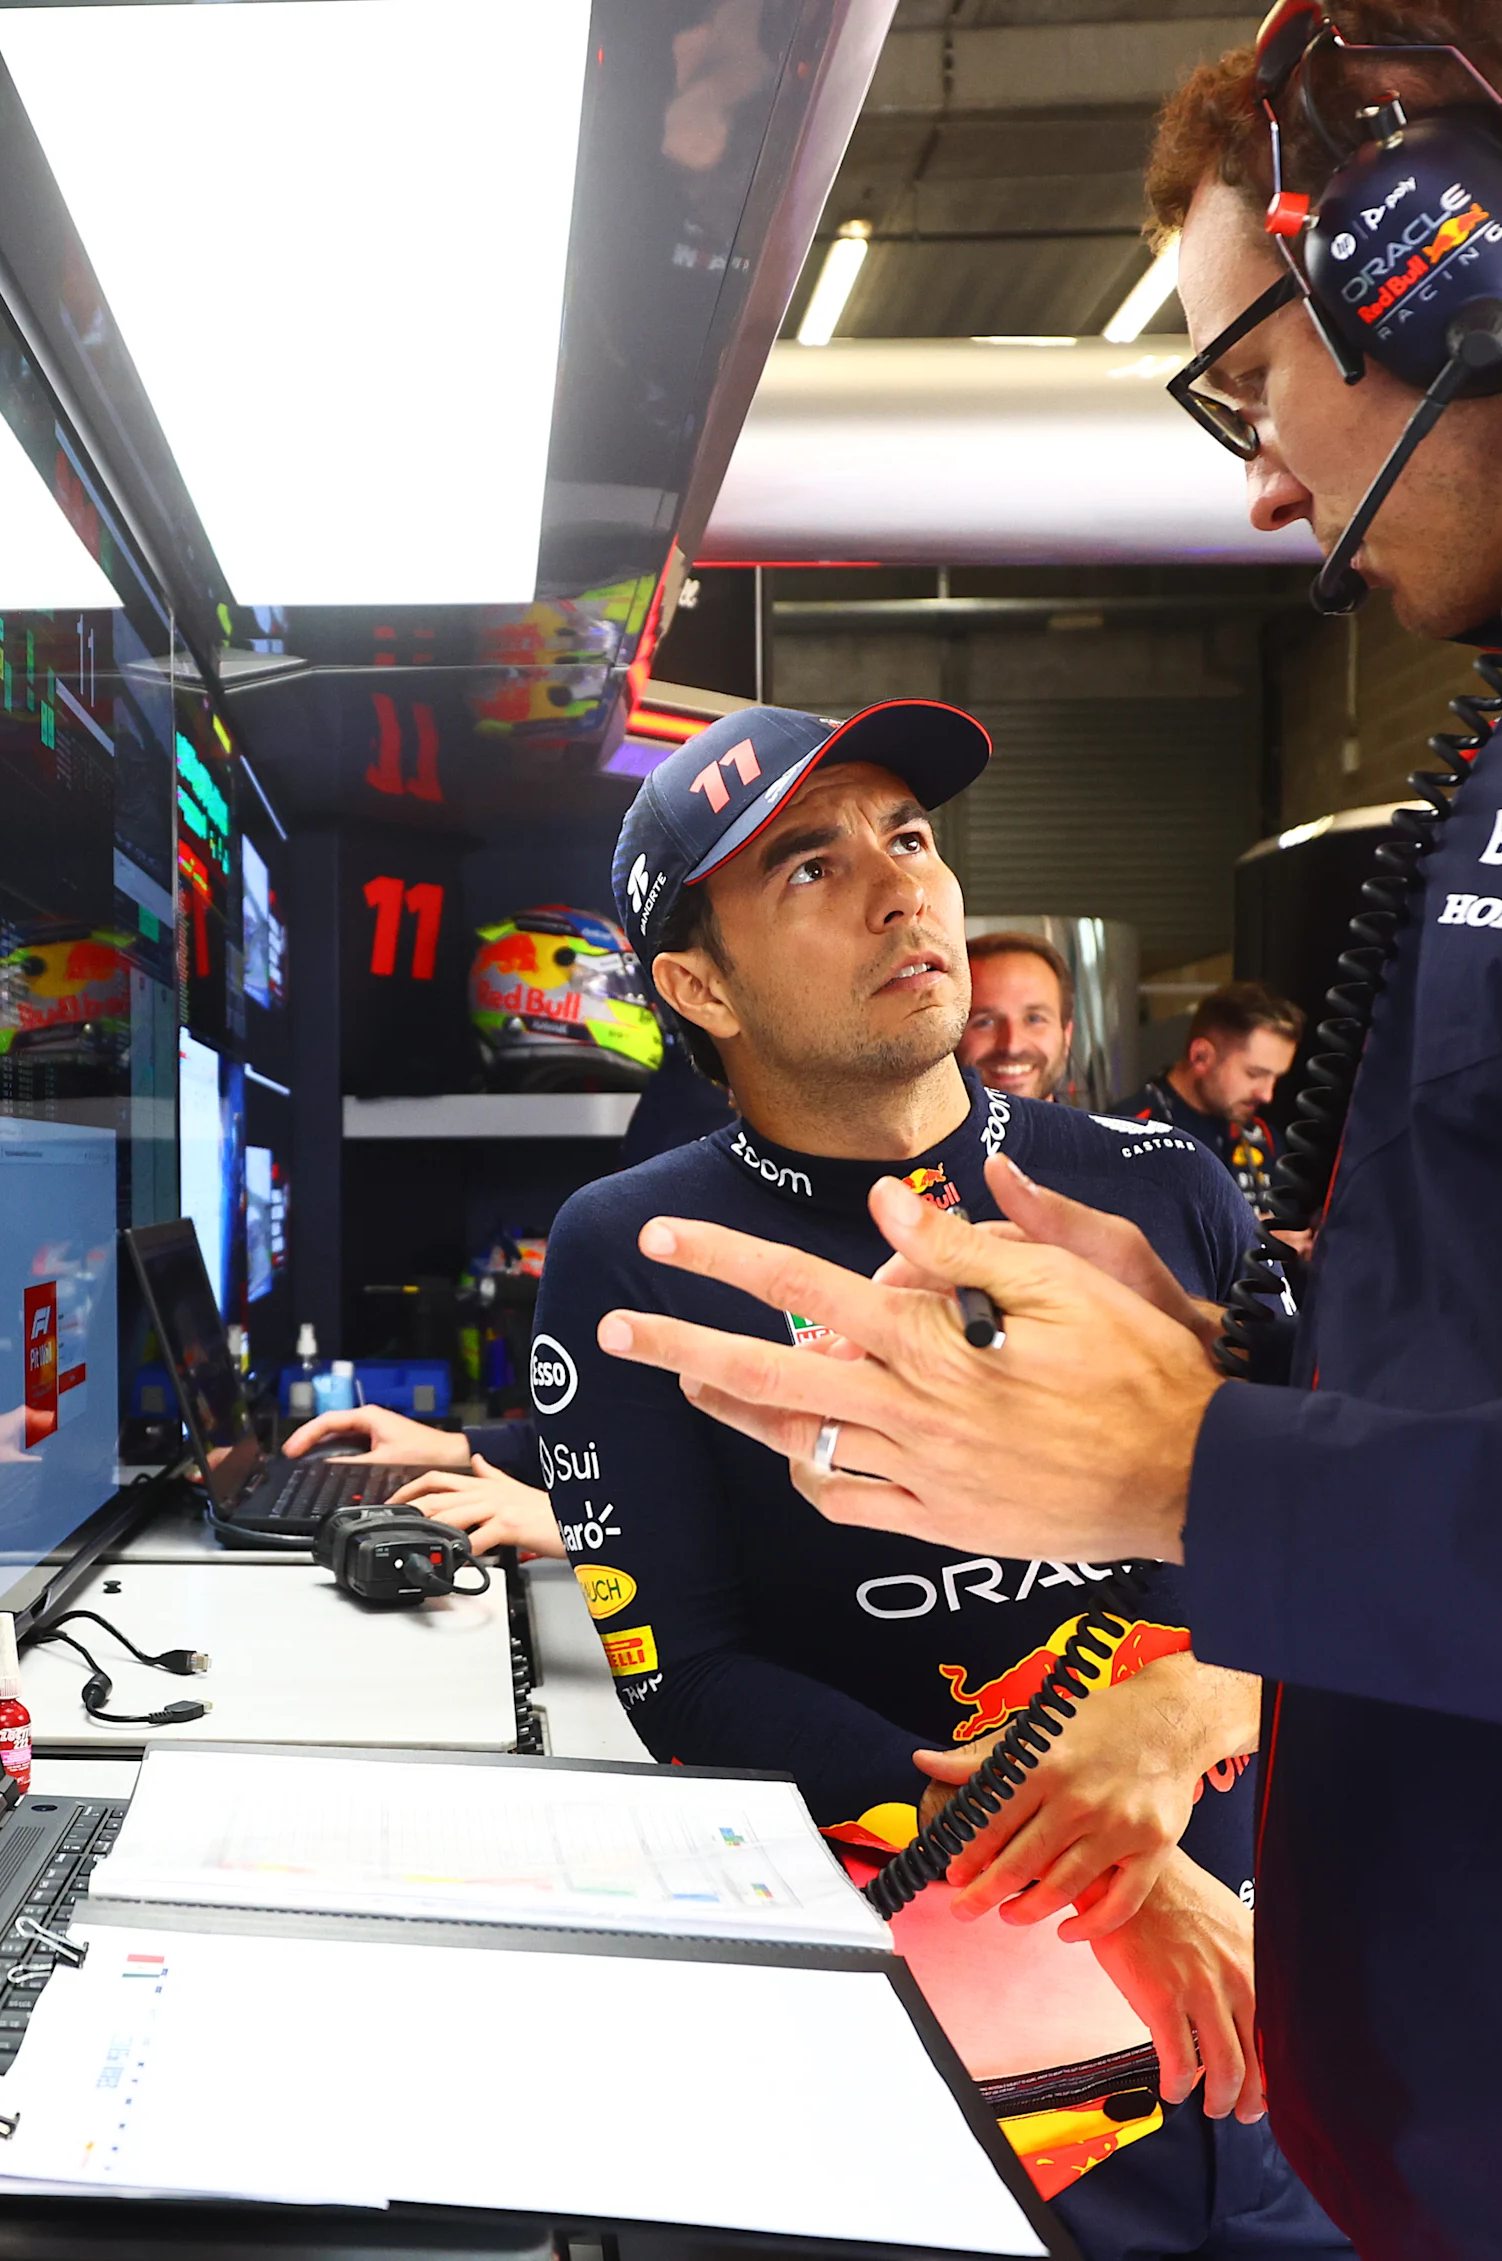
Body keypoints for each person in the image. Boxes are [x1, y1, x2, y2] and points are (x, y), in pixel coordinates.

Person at [589, 7, 1502, 2250]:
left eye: (1250, 376)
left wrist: (1206, 1469)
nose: (1258, 473)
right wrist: (1256, 1351)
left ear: (1448, 247)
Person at [536, 699, 1340, 2256]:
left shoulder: (1156, 1185)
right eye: (809, 869)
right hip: (956, 2054)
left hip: (1280, 1994)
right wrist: (1119, 1882)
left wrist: (1191, 1712)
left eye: (908, 836)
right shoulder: (631, 1246)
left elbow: (1356, 1545)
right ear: (698, 983)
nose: (902, 887)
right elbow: (688, 1681)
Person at [1122, 983, 1298, 1219]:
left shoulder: (1264, 1137)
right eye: (1254, 1074)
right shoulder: (1126, 1130)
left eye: (1276, 1078)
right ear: (1201, 1056)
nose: (1267, 1095)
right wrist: (1242, 1238)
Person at [960, 931, 1077, 1102]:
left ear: (1066, 1035)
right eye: (985, 1022)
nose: (1012, 1046)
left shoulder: (1103, 1130)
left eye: (1034, 1019)